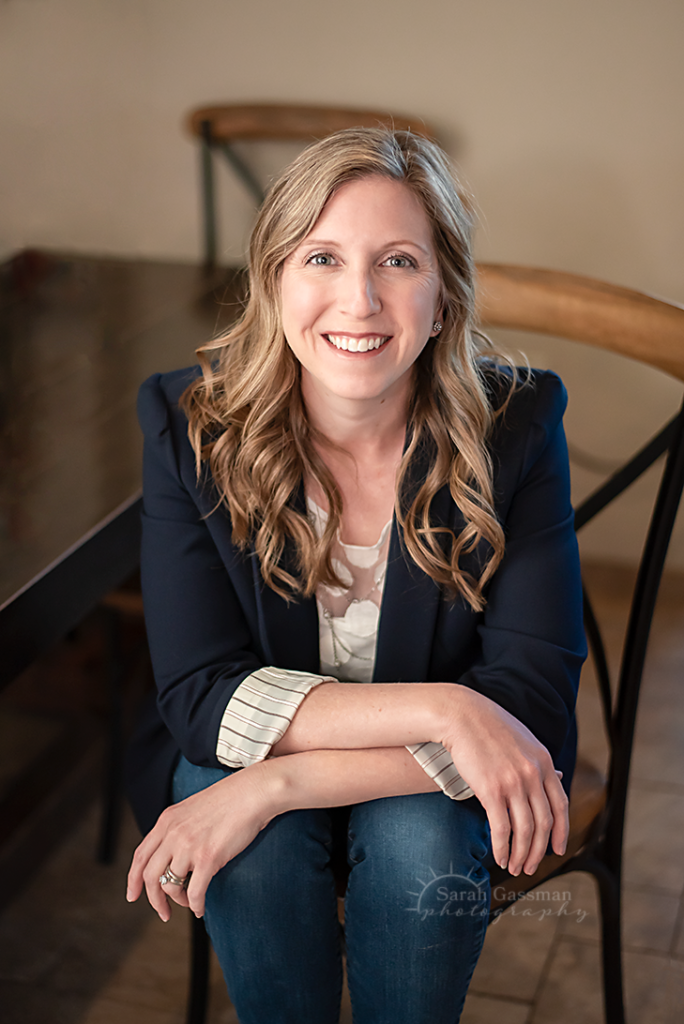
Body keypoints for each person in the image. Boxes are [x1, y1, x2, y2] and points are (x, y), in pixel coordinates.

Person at [125, 127, 586, 1024]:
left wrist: (280, 782)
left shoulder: (520, 425)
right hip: (314, 745)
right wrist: (449, 707)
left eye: (400, 261)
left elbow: (524, 704)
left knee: (416, 841)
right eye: (323, 257)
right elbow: (201, 696)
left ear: (444, 295)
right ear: (274, 281)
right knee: (256, 853)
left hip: (415, 785)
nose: (360, 300)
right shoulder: (187, 425)